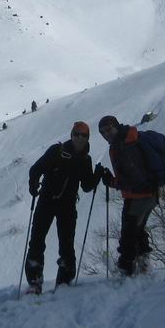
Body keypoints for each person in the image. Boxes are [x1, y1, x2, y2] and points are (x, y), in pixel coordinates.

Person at [25, 121, 100, 293]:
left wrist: (96, 176)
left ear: (88, 137)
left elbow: (87, 186)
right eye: (76, 134)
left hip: (67, 205)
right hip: (46, 200)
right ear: (71, 135)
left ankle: (64, 281)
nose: (79, 138)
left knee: (66, 244)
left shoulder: (85, 160)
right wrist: (33, 183)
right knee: (37, 241)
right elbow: (36, 169)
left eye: (83, 135)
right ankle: (35, 282)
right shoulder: (56, 151)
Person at [97, 115, 164, 276]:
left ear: (116, 126)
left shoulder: (125, 145)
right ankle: (143, 263)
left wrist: (111, 182)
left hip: (139, 195)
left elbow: (134, 178)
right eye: (103, 132)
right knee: (137, 230)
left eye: (109, 129)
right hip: (149, 194)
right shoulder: (125, 140)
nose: (107, 134)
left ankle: (126, 268)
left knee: (128, 233)